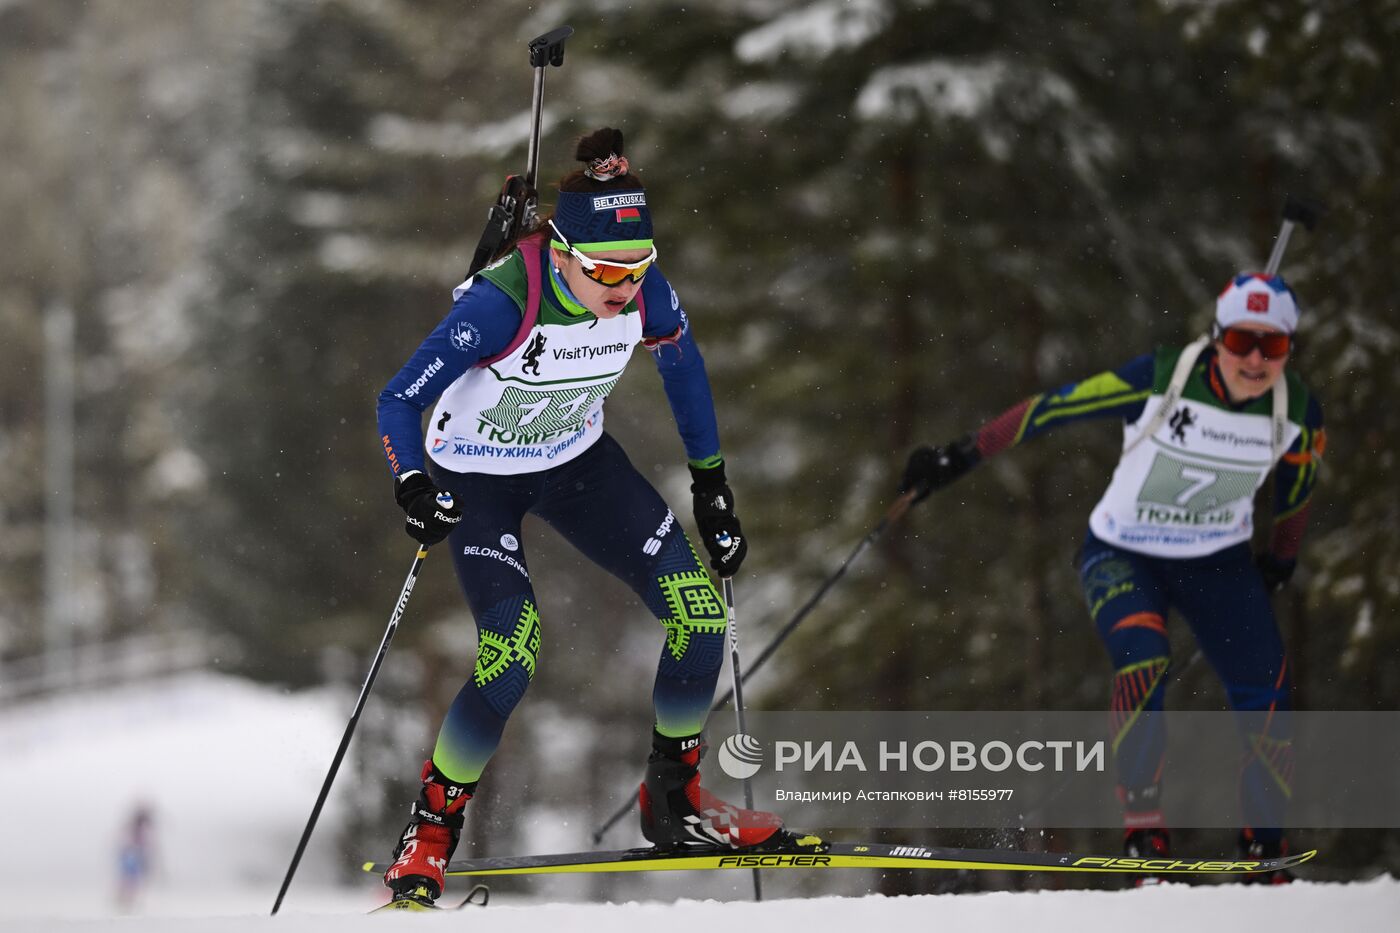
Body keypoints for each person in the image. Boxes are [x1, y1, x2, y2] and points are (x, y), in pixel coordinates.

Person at [375, 128, 795, 906]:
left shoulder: (645, 289)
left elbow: (685, 369)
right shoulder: (506, 301)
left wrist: (713, 487)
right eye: (604, 269)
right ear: (561, 250)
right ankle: (430, 830)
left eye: (635, 269)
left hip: (576, 464)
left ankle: (674, 801)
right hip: (479, 477)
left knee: (700, 618)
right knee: (513, 651)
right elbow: (397, 397)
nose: (623, 288)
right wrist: (411, 485)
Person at [900, 273, 1324, 879]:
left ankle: (1265, 849)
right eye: (1241, 341)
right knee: (1144, 661)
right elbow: (1052, 409)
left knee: (1266, 689)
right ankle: (1144, 838)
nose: (1255, 360)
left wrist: (1282, 558)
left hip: (1217, 562)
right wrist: (961, 455)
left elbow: (1297, 491)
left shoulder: (1298, 411)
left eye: (1273, 346)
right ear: (1216, 338)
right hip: (1124, 553)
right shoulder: (1160, 379)